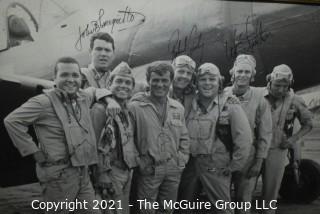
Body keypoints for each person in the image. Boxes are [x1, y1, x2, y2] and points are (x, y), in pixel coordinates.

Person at [3, 57, 114, 214]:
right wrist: (32, 151)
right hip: (59, 176)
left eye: (75, 75)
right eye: (64, 75)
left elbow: (94, 91)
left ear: (80, 79)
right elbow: (12, 121)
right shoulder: (43, 102)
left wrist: (110, 100)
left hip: (82, 172)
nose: (71, 80)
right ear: (54, 78)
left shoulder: (83, 97)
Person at [177, 63, 252, 214]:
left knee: (223, 209)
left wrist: (233, 166)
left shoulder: (230, 105)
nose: (207, 83)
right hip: (190, 163)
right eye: (202, 79)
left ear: (219, 83)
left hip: (216, 165)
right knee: (184, 207)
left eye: (212, 79)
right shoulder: (188, 102)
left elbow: (244, 140)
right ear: (196, 82)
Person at [129, 61, 190, 214]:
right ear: (148, 81)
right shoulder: (135, 107)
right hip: (149, 168)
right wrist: (139, 162)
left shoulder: (178, 107)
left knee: (167, 210)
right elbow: (128, 139)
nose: (160, 84)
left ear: (170, 82)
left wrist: (181, 160)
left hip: (172, 168)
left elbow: (184, 137)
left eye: (165, 80)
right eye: (155, 80)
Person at [261, 64, 313, 214]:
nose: (281, 90)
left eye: (285, 86)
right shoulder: (258, 96)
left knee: (270, 194)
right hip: (255, 149)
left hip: (277, 150)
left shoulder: (295, 100)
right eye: (277, 85)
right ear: (269, 81)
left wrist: (293, 139)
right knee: (244, 190)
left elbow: (308, 124)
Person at [225, 54, 272, 214]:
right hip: (224, 155)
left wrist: (258, 162)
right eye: (240, 71)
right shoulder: (223, 94)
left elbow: (265, 133)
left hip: (248, 157)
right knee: (222, 201)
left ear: (252, 76)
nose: (243, 75)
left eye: (247, 72)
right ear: (233, 74)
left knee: (243, 201)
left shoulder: (260, 98)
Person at [91, 62, 139, 214]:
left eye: (128, 82)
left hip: (126, 172)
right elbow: (94, 146)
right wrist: (102, 174)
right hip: (111, 172)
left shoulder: (127, 110)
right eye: (119, 81)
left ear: (132, 88)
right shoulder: (100, 110)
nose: (123, 86)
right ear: (109, 84)